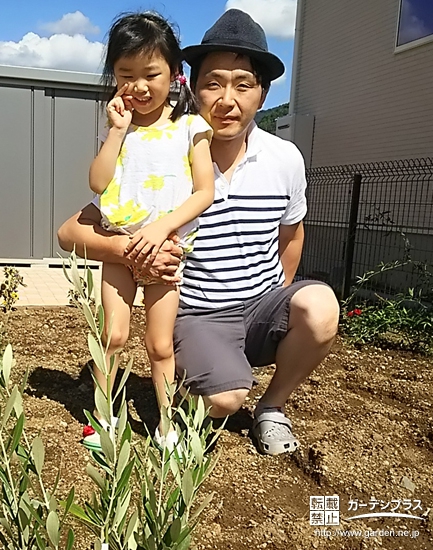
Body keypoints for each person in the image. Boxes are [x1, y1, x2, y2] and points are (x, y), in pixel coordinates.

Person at [58, 9, 340, 456]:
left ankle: (272, 407)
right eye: (214, 82)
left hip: (260, 304)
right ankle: (207, 377)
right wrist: (130, 249)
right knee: (224, 397)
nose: (227, 99)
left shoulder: (285, 159)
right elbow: (72, 230)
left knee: (320, 304)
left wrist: (278, 297)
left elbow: (292, 235)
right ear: (191, 83)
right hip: (197, 314)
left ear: (263, 95)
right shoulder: (165, 150)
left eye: (243, 84)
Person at [81, 11, 214, 453]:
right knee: (112, 336)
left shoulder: (191, 127)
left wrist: (161, 228)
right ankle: (103, 417)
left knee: (159, 344)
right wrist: (115, 132)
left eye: (150, 74)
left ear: (174, 74)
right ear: (113, 76)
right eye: (125, 75)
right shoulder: (119, 130)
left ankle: (166, 424)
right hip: (120, 248)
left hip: (166, 251)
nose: (138, 86)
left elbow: (204, 193)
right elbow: (97, 183)